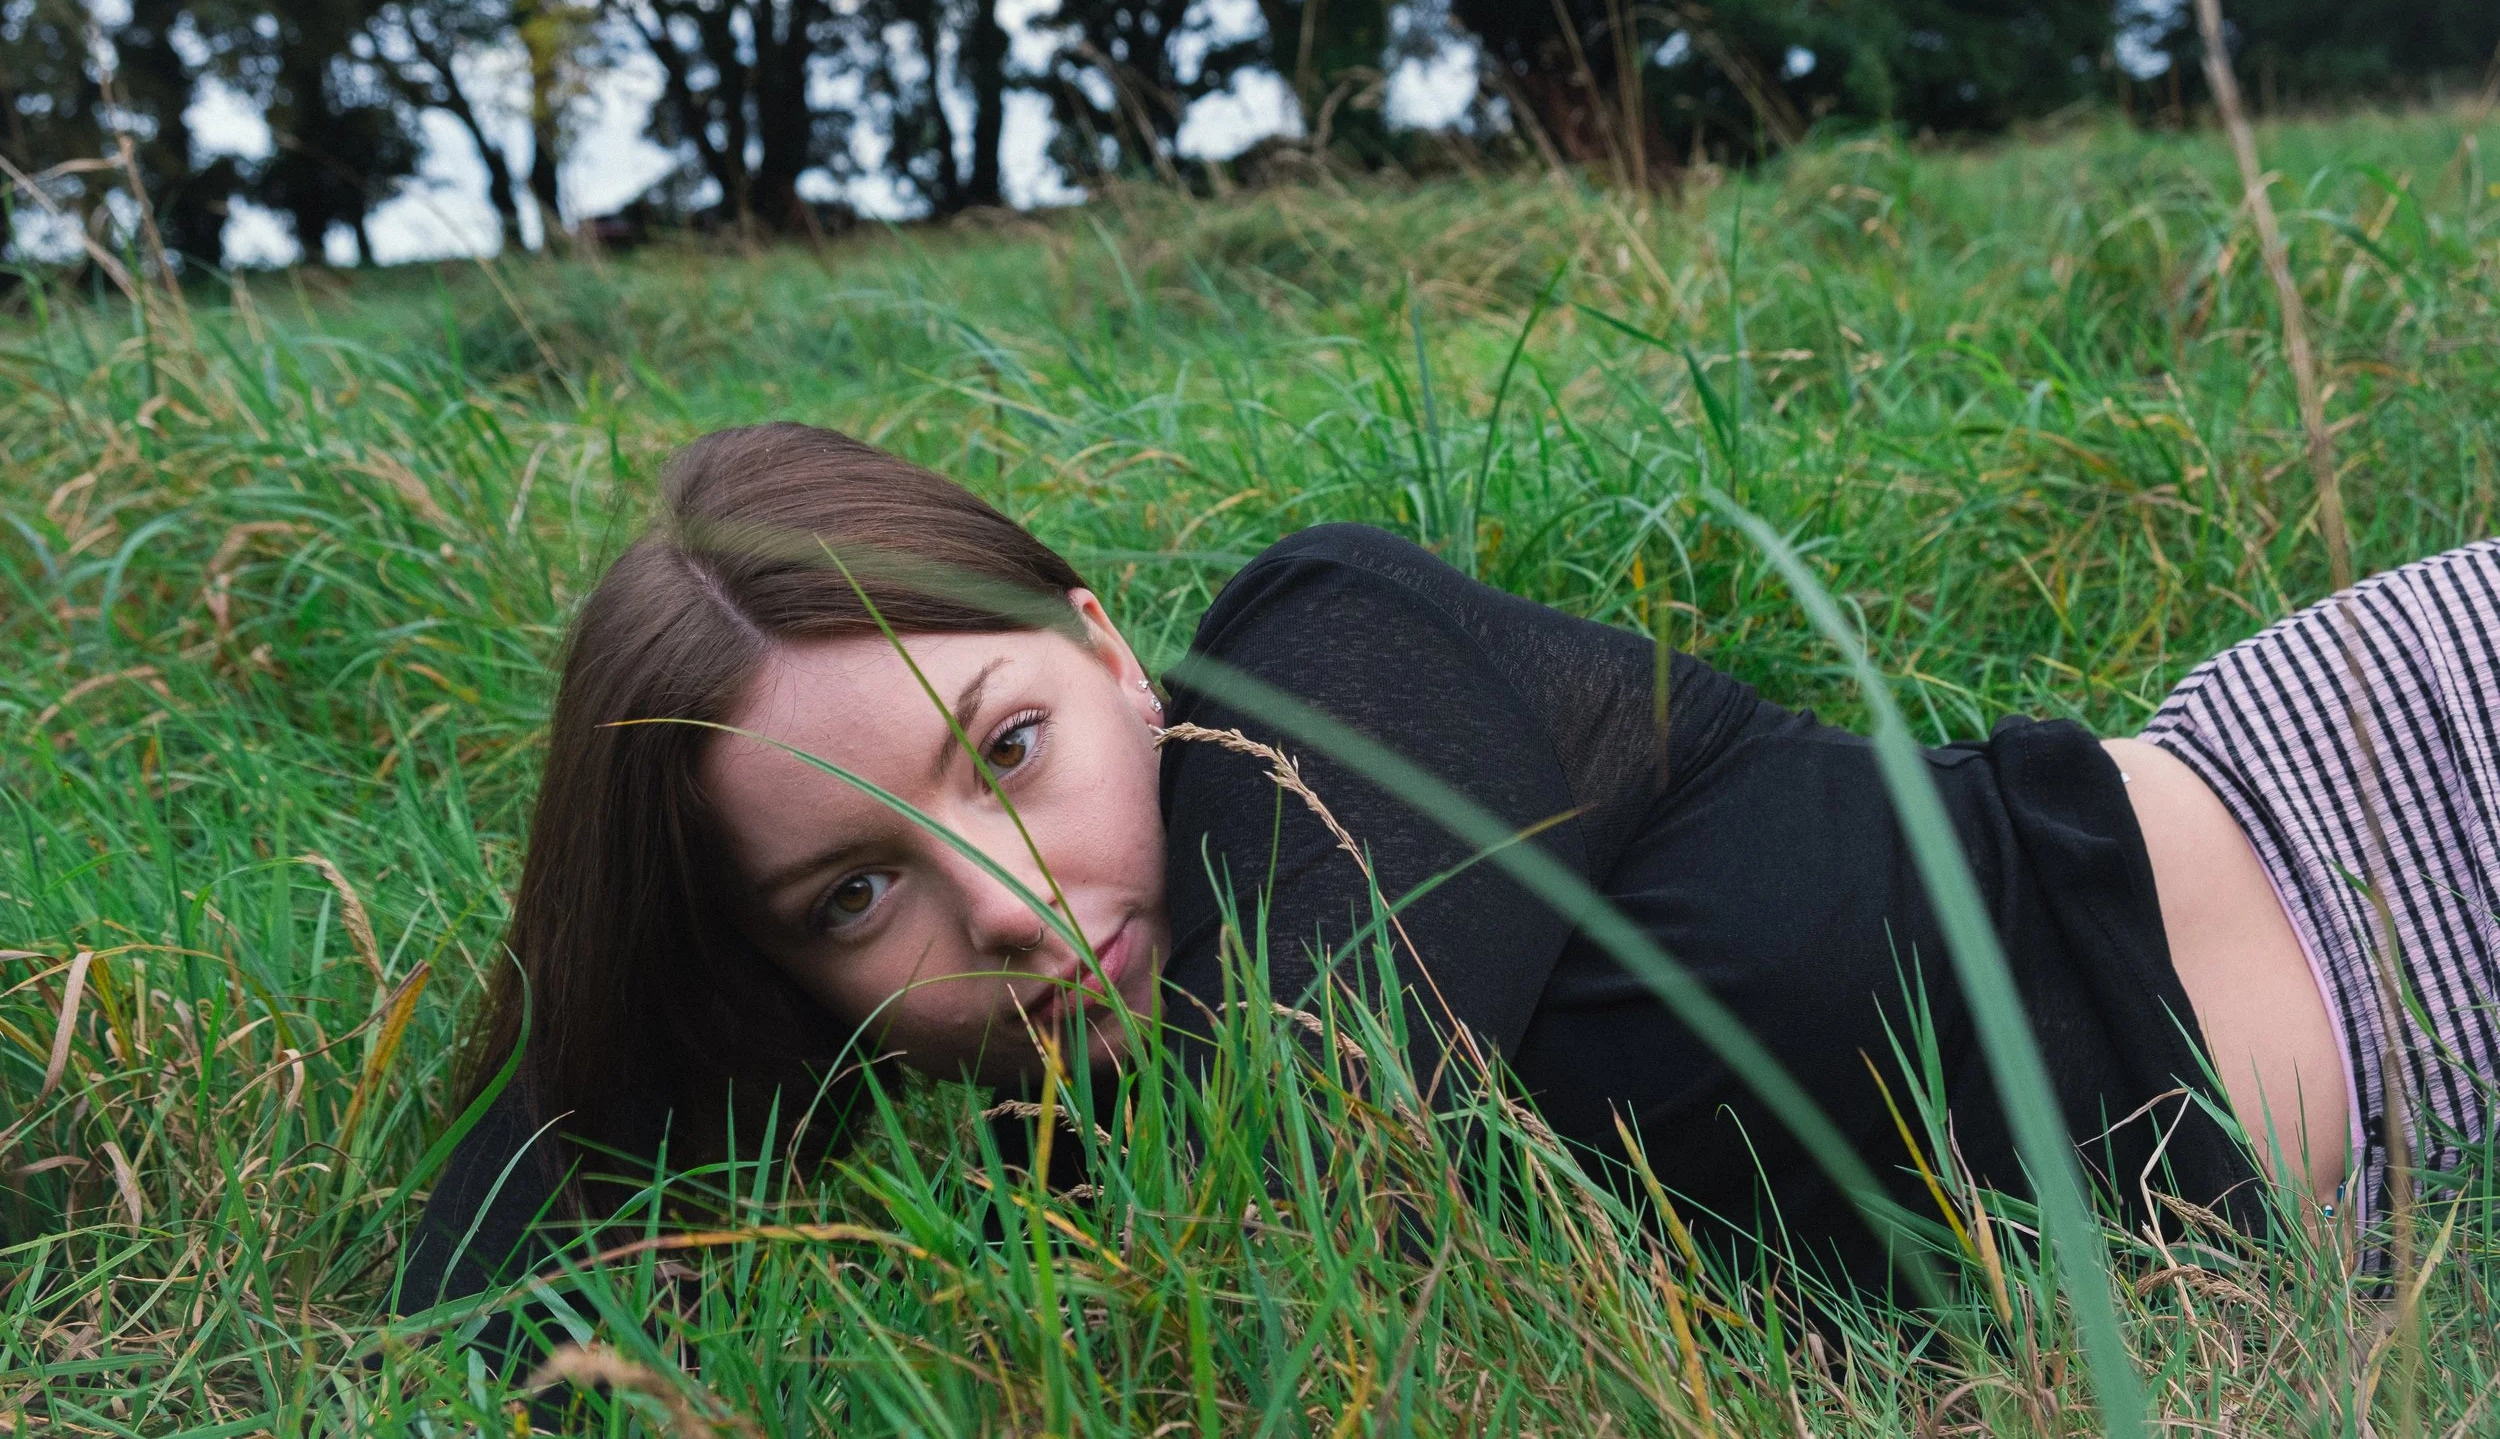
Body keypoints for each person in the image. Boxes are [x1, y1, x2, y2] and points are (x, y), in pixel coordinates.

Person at [399, 422, 2500, 1311]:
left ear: (1113, 647)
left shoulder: (1329, 665)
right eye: (854, 893)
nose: (1016, 905)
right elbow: (500, 1238)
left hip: (2388, 808)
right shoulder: (1058, 1172)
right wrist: (647, 1007)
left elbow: (1320, 1179)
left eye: (1011, 744)